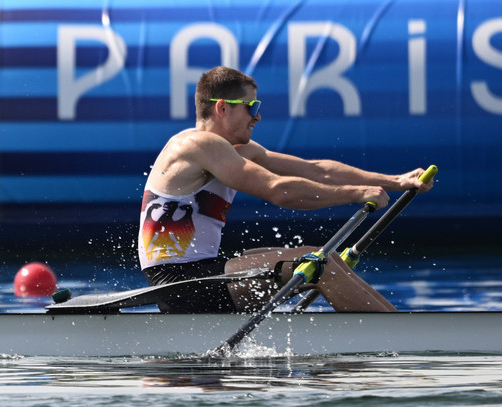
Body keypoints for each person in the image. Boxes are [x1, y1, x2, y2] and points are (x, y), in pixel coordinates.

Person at [138, 66, 434, 314]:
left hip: (197, 275)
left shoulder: (233, 150)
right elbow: (279, 191)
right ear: (222, 107)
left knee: (320, 258)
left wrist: (396, 182)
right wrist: (355, 194)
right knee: (320, 265)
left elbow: (316, 169)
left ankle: (395, 325)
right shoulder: (196, 144)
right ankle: (401, 337)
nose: (258, 117)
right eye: (251, 107)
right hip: (181, 283)